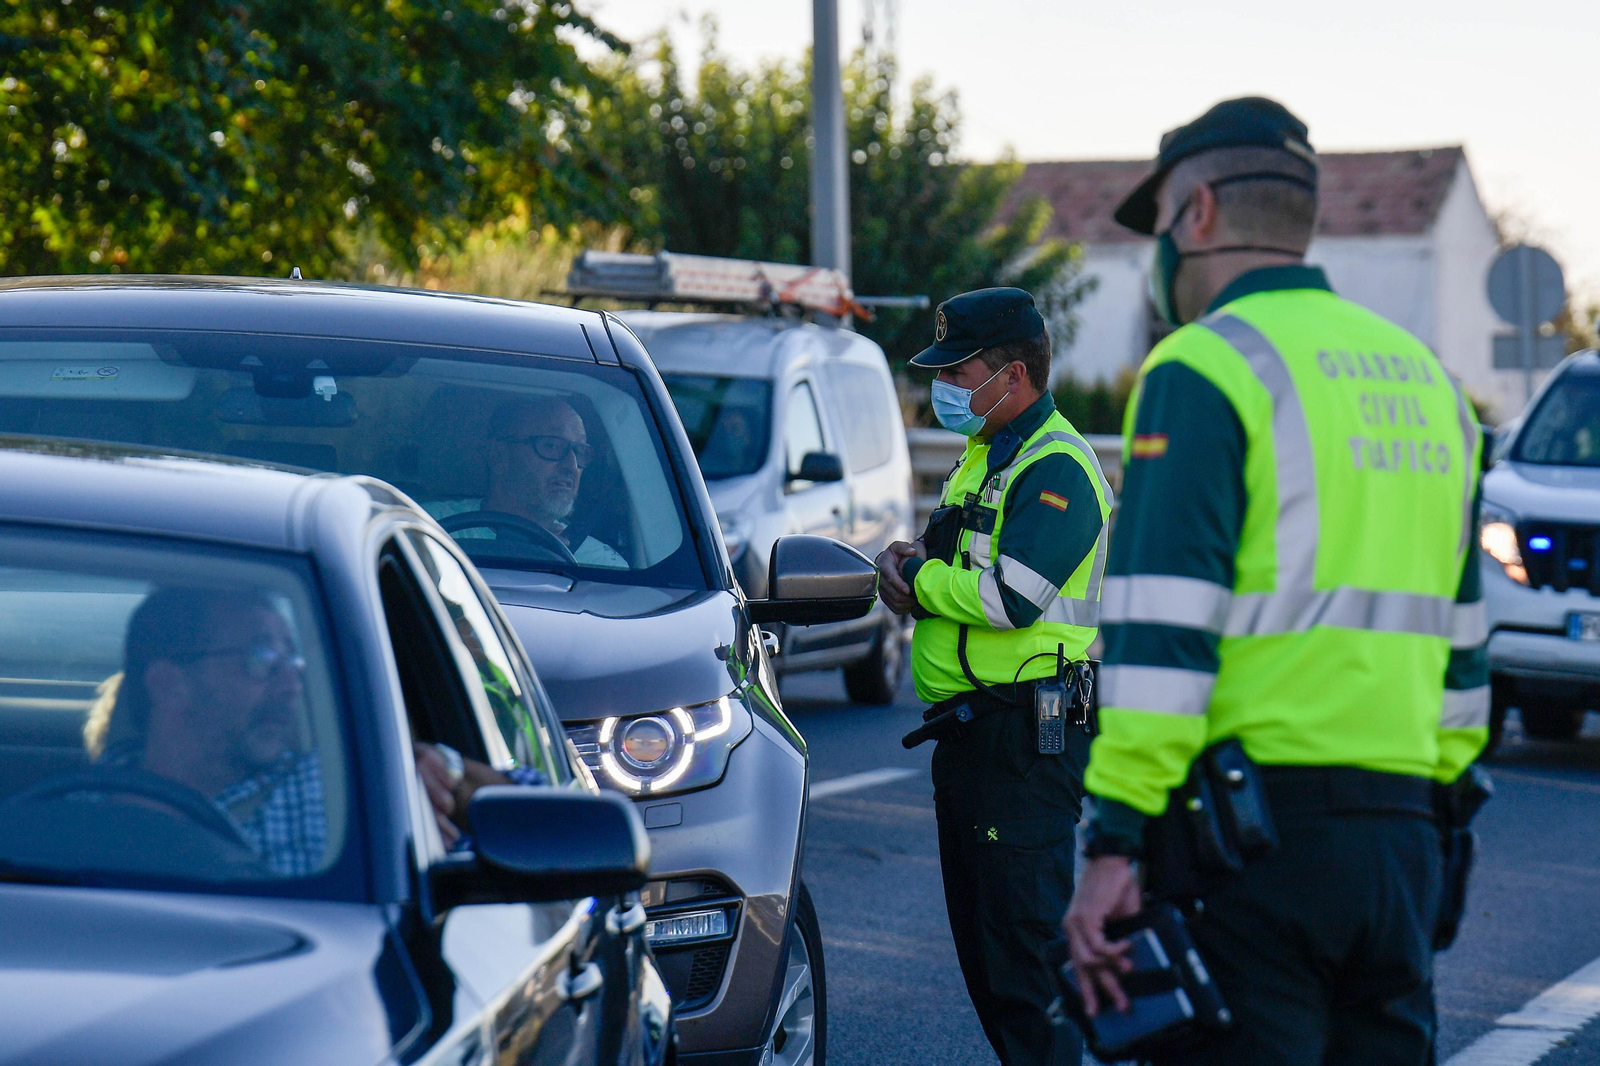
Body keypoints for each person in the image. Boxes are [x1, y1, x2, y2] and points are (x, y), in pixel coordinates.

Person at [1062, 97, 1488, 1065]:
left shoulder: (1201, 368)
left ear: (1198, 215)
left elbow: (1162, 632)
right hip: (1403, 847)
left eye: (1159, 225)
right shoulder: (1433, 387)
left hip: (1247, 855)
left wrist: (1114, 840)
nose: (1157, 258)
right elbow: (1466, 660)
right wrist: (1437, 828)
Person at [877, 287, 1112, 1066]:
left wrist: (919, 579)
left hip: (1026, 735)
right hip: (978, 737)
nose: (945, 386)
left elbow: (1013, 595)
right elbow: (946, 553)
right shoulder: (986, 454)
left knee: (1024, 959)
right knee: (990, 957)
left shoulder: (1057, 467)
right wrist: (907, 563)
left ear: (1012, 376)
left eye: (959, 370)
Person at [93, 587, 328, 876]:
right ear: (168, 686)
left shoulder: (329, 803)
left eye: (292, 660)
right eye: (262, 658)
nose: (292, 686)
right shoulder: (71, 812)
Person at [477, 396, 626, 567]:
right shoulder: (439, 530)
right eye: (552, 446)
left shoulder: (603, 565)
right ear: (498, 456)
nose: (572, 466)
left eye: (579, 451)